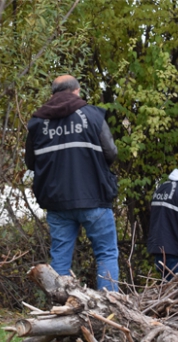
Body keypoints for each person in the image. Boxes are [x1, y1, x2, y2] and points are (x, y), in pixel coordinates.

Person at [25, 75, 120, 291]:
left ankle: (61, 308)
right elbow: (111, 153)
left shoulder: (38, 122)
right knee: (105, 253)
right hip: (94, 197)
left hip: (57, 202)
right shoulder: (93, 115)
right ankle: (110, 306)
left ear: (53, 94)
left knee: (60, 259)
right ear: (76, 91)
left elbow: (31, 162)